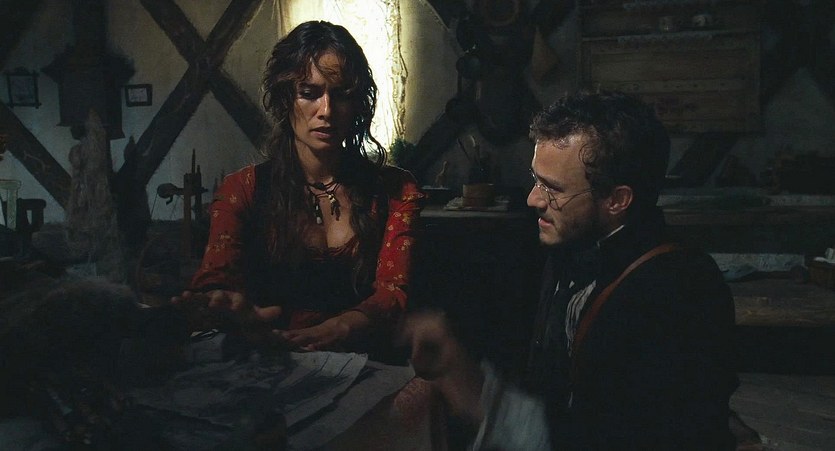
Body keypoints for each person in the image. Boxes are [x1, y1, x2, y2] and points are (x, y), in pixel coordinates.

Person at [402, 90, 739, 449]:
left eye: (553, 188)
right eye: (536, 179)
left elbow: (610, 439)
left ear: (617, 200)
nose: (533, 199)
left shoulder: (678, 292)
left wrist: (475, 395)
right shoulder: (570, 243)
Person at [174, 21, 424, 359]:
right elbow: (217, 280)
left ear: (357, 104)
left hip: (366, 361)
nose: (327, 111)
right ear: (285, 98)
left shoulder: (394, 190)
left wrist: (341, 327)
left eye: (341, 95)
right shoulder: (243, 190)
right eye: (310, 93)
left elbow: (393, 294)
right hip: (273, 360)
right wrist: (220, 305)